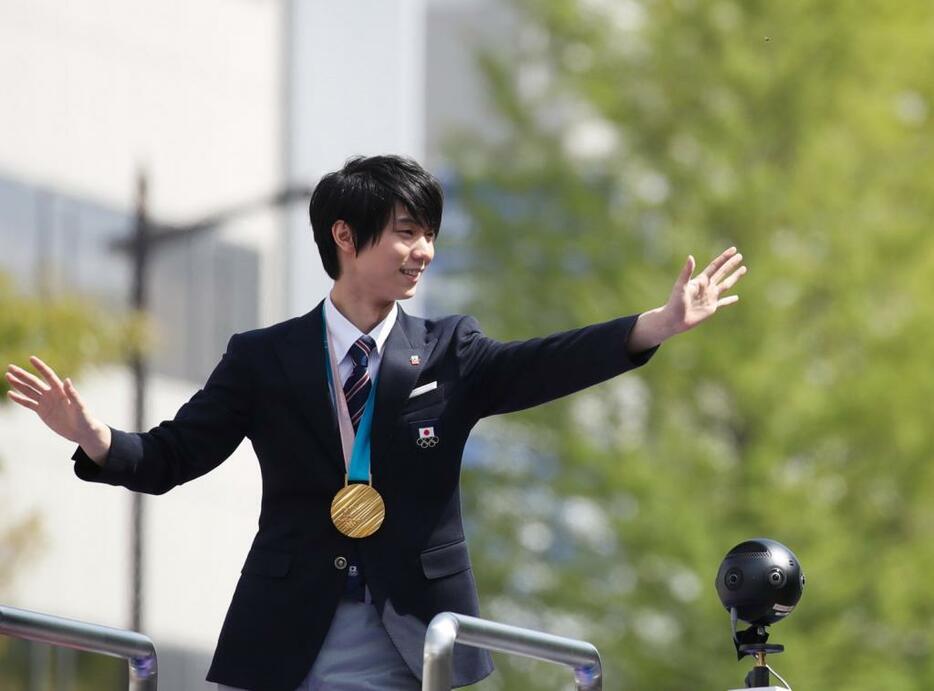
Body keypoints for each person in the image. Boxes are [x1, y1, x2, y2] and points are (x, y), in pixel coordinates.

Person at [5, 155, 746, 690]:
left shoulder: (448, 349)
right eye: (404, 231)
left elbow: (541, 363)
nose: (422, 250)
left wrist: (655, 324)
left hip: (417, 630)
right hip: (290, 629)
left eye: (428, 232)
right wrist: (91, 435)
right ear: (345, 237)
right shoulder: (265, 357)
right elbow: (172, 455)